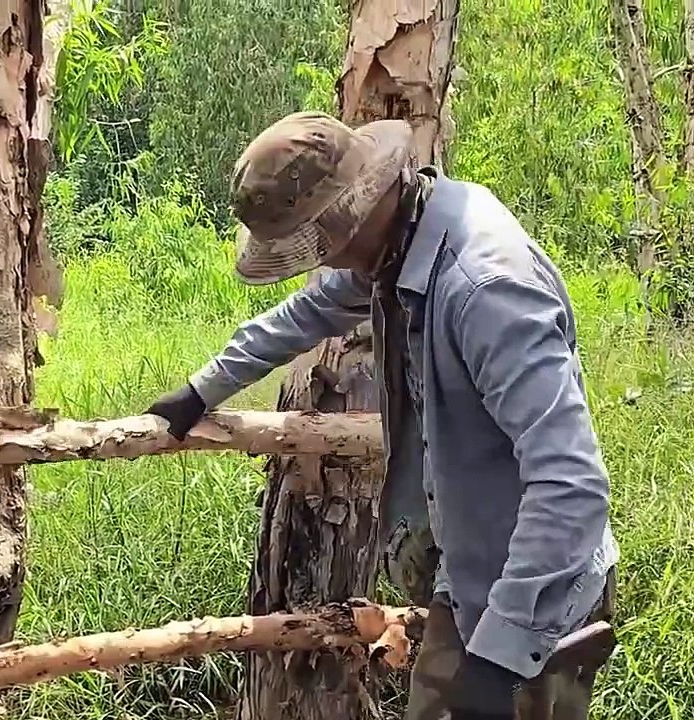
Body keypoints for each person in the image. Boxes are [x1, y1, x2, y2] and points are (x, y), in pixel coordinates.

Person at [144, 111, 619, 720]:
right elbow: (307, 314)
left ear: (347, 219)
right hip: (470, 574)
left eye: (317, 244)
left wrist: (501, 655)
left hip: (538, 598)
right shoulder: (402, 243)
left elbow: (571, 487)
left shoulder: (485, 290)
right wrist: (201, 390)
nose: (323, 261)